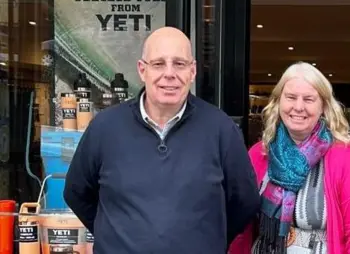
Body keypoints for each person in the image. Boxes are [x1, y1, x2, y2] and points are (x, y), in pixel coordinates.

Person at [63, 26, 260, 254]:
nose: (169, 73)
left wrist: (208, 241)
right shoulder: (105, 127)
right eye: (158, 64)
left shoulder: (221, 129)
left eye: (179, 63)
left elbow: (245, 202)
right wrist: (116, 236)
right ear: (142, 70)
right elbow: (77, 193)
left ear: (192, 71)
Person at [230, 62, 350, 254]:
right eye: (291, 97)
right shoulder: (259, 154)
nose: (298, 107)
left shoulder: (347, 158)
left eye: (309, 99)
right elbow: (240, 225)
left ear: (323, 106)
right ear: (278, 102)